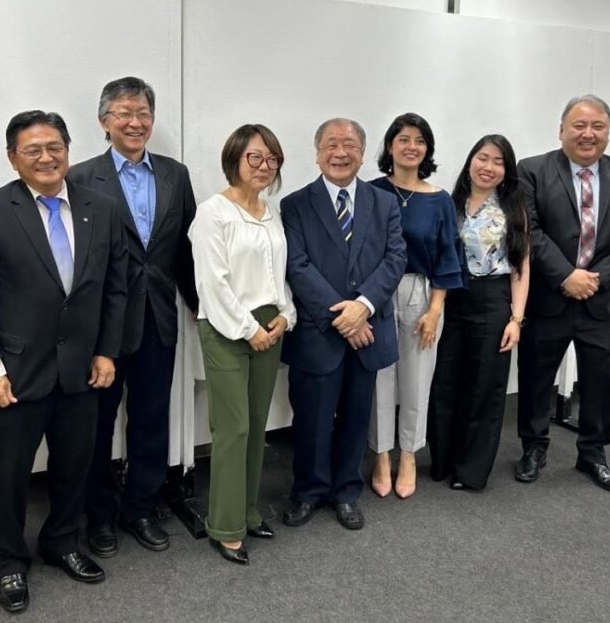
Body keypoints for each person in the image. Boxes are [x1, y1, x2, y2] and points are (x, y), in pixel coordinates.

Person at [0, 111, 127, 613]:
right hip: (15, 371)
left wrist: (106, 351)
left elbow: (115, 287)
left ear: (68, 151)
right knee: (9, 472)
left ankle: (61, 541)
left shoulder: (101, 208)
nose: (46, 157)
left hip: (81, 366)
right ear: (13, 158)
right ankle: (8, 560)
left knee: (75, 463)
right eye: (32, 150)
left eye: (55, 147)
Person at [69, 77, 198, 557]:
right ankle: (99, 515)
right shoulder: (80, 177)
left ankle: (140, 508)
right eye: (124, 113)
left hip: (158, 318)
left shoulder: (175, 175)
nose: (135, 122)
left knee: (151, 419)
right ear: (104, 121)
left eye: (143, 113)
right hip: (101, 327)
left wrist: (202, 310)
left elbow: (184, 251)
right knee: (97, 425)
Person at [515, 94, 610, 492]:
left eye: (597, 126)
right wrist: (565, 276)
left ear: (608, 132)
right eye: (579, 125)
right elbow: (529, 230)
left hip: (602, 301)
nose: (588, 134)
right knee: (536, 378)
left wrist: (595, 278)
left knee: (601, 381)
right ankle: (533, 447)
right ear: (561, 130)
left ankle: (593, 453)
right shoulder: (532, 170)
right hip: (548, 297)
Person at [281, 118, 407, 531]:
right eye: (331, 144)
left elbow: (395, 259)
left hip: (368, 330)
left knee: (356, 417)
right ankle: (308, 491)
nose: (341, 152)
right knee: (312, 419)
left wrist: (364, 306)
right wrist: (345, 316)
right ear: (317, 154)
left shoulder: (384, 202)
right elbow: (297, 265)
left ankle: (346, 492)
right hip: (320, 332)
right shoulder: (295, 205)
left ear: (363, 153)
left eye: (350, 144)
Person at [189, 124, 296, 565]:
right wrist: (249, 328)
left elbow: (277, 274)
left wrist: (286, 314)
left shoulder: (271, 212)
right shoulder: (212, 212)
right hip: (227, 327)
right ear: (234, 157)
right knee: (232, 428)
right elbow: (212, 283)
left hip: (271, 324)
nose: (264, 166)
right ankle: (225, 526)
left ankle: (248, 512)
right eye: (255, 157)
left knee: (256, 423)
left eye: (272, 159)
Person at [367, 113, 463, 499]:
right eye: (403, 139)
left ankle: (408, 455)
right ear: (390, 146)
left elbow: (447, 257)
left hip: (420, 293)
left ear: (428, 149)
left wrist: (435, 310)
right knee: (379, 377)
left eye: (420, 140)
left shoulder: (439, 200)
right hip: (377, 292)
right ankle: (381, 455)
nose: (411, 146)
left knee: (417, 379)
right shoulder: (371, 192)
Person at [429, 134, 530, 490]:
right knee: (445, 382)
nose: (489, 167)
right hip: (451, 297)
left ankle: (470, 470)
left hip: (492, 300)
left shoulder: (513, 208)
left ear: (507, 171)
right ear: (471, 161)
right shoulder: (450, 203)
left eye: (498, 162)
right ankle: (441, 460)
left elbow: (521, 267)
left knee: (483, 387)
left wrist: (516, 319)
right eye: (483, 158)